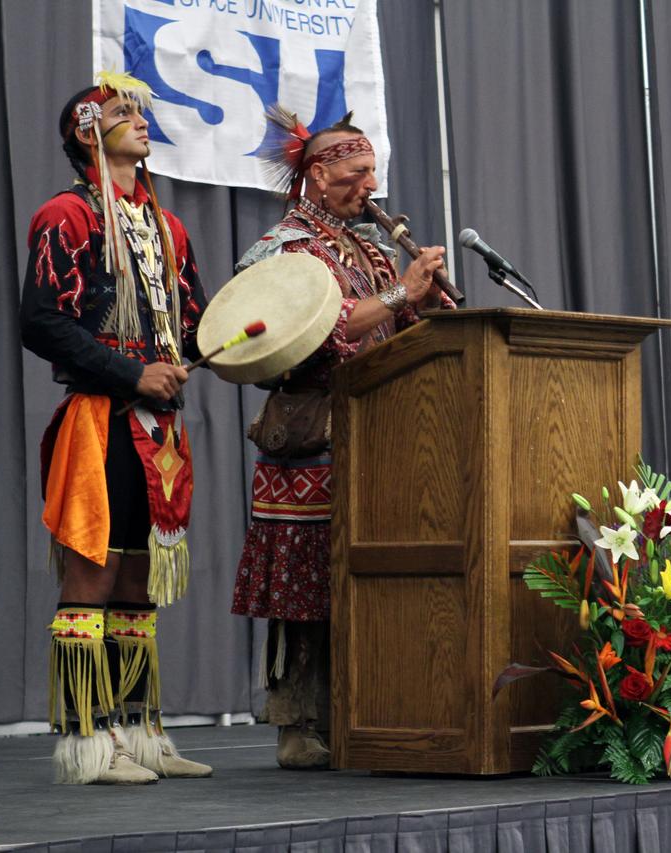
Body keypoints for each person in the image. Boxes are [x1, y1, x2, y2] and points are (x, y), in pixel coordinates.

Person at [230, 105, 455, 769]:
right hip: (310, 434)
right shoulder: (289, 247)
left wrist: (418, 305)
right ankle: (297, 721)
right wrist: (396, 294)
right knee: (305, 582)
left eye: (372, 173)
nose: (368, 186)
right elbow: (313, 333)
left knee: (363, 574)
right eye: (355, 172)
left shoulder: (364, 246)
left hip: (372, 434)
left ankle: (365, 708)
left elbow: (383, 331)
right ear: (318, 173)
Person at [19, 71, 213, 783]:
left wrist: (210, 351)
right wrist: (133, 373)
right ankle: (86, 744)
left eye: (139, 111)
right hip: (100, 417)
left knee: (139, 582)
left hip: (158, 431)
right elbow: (40, 320)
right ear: (85, 130)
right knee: (93, 575)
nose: (139, 119)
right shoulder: (64, 217)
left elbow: (189, 323)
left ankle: (141, 734)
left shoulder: (168, 227)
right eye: (122, 111)